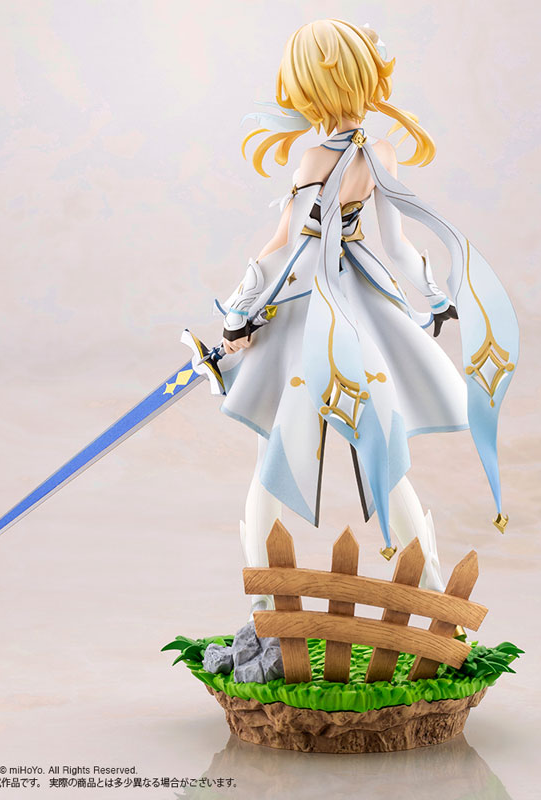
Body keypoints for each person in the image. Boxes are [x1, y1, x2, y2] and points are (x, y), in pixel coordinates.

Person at [213, 20, 518, 615]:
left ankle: (267, 606)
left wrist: (237, 313)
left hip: (309, 311)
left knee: (274, 449)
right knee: (381, 438)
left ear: (311, 86)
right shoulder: (382, 153)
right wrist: (434, 298)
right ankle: (435, 596)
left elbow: (284, 245)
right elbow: (397, 247)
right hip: (360, 300)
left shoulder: (312, 158)